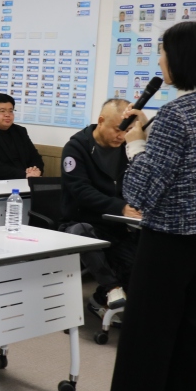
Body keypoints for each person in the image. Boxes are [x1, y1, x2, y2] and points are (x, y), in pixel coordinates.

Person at [93, 21, 196, 391]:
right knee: (188, 337)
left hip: (168, 242)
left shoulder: (175, 115)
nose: (159, 61)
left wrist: (136, 143)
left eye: (163, 53)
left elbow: (139, 191)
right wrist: (149, 131)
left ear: (179, 59)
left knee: (146, 338)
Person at [60, 99, 140, 314]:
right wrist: (120, 207)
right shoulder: (77, 147)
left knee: (137, 266)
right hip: (83, 222)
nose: (121, 136)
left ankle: (99, 300)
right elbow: (81, 191)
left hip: (118, 224)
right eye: (117, 129)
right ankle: (112, 288)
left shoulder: (127, 148)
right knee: (81, 232)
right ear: (101, 121)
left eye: (127, 131)